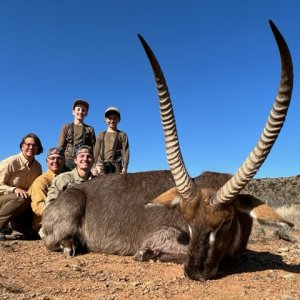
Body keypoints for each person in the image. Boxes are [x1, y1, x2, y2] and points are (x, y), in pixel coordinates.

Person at [0, 133, 43, 240]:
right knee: (21, 197)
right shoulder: (10, 162)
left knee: (35, 235)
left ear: (38, 148)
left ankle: (11, 225)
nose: (31, 147)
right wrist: (13, 189)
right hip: (6, 200)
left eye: (34, 145)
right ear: (22, 146)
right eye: (28, 144)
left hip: (21, 204)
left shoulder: (38, 167)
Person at [29, 147, 65, 233]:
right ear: (46, 161)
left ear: (64, 161)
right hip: (45, 224)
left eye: (59, 158)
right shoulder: (41, 181)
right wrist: (62, 215)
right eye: (52, 158)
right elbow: (38, 207)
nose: (55, 161)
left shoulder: (67, 179)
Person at [58, 99, 96, 171]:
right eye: (78, 109)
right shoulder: (66, 127)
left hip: (83, 161)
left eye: (83, 110)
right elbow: (60, 146)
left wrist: (94, 166)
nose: (80, 112)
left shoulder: (90, 129)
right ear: (73, 112)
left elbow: (94, 149)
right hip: (68, 161)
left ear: (86, 113)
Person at [94, 106, 129, 175]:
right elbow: (96, 152)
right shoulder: (101, 134)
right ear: (105, 119)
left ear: (119, 120)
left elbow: (125, 152)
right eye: (109, 118)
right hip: (101, 166)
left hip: (116, 166)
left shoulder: (122, 135)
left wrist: (125, 167)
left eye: (115, 118)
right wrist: (94, 166)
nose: (112, 120)